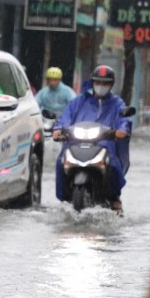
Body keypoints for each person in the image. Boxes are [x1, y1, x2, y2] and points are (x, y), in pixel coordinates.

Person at [52, 65, 131, 213]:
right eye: (98, 82)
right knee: (60, 162)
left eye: (105, 83)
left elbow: (123, 119)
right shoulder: (79, 101)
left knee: (113, 165)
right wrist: (58, 129)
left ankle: (114, 197)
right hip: (76, 143)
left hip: (105, 145)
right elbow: (65, 117)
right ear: (93, 83)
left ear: (111, 84)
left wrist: (121, 130)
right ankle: (63, 196)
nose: (101, 86)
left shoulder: (117, 103)